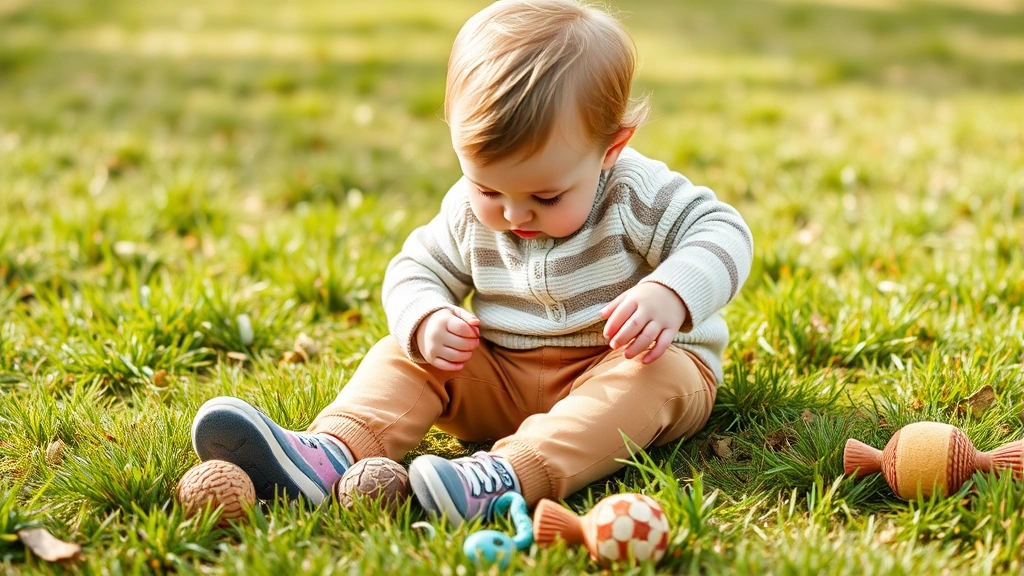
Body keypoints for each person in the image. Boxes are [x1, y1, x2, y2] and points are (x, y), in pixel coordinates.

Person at [190, 0, 752, 525]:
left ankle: (507, 476)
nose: (512, 213)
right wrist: (429, 319)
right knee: (401, 352)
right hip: (502, 376)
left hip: (618, 365)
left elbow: (723, 231)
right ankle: (332, 451)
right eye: (488, 189)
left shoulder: (635, 192)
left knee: (656, 377)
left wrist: (672, 295)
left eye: (546, 197)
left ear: (610, 149)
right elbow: (416, 268)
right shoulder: (466, 208)